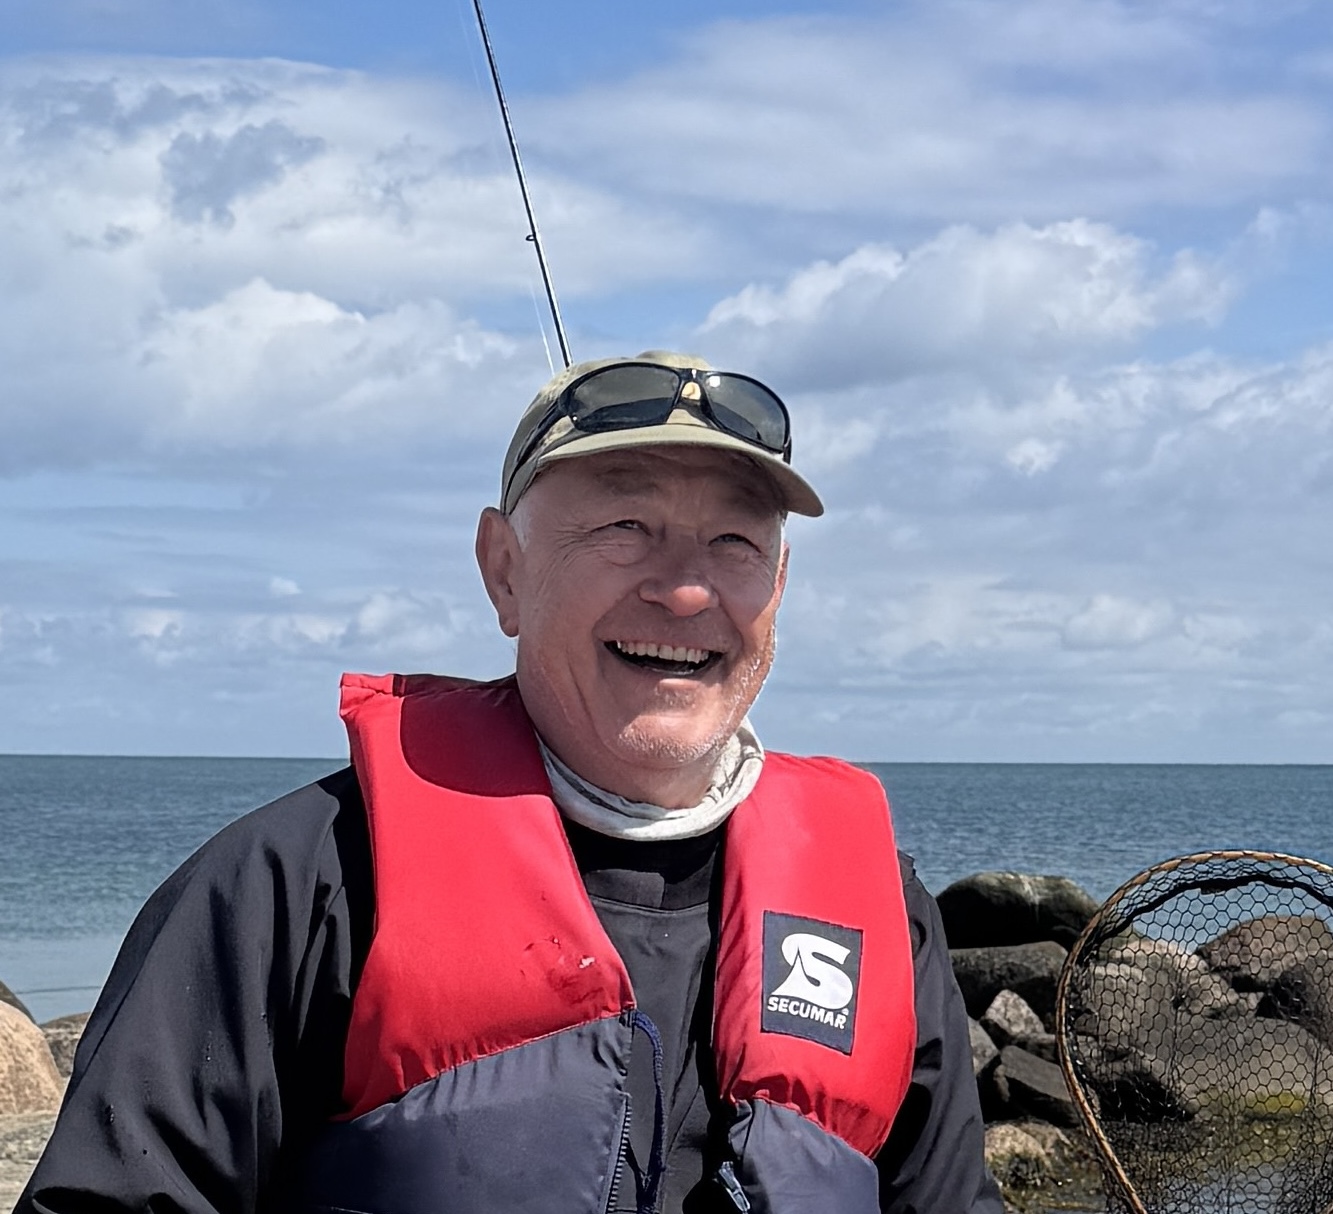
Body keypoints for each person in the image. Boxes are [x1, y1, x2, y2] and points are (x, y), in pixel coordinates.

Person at [19, 351, 1003, 1214]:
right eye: (624, 525)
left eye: (734, 543)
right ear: (503, 570)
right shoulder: (295, 882)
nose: (684, 588)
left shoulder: (882, 913)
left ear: (776, 588)